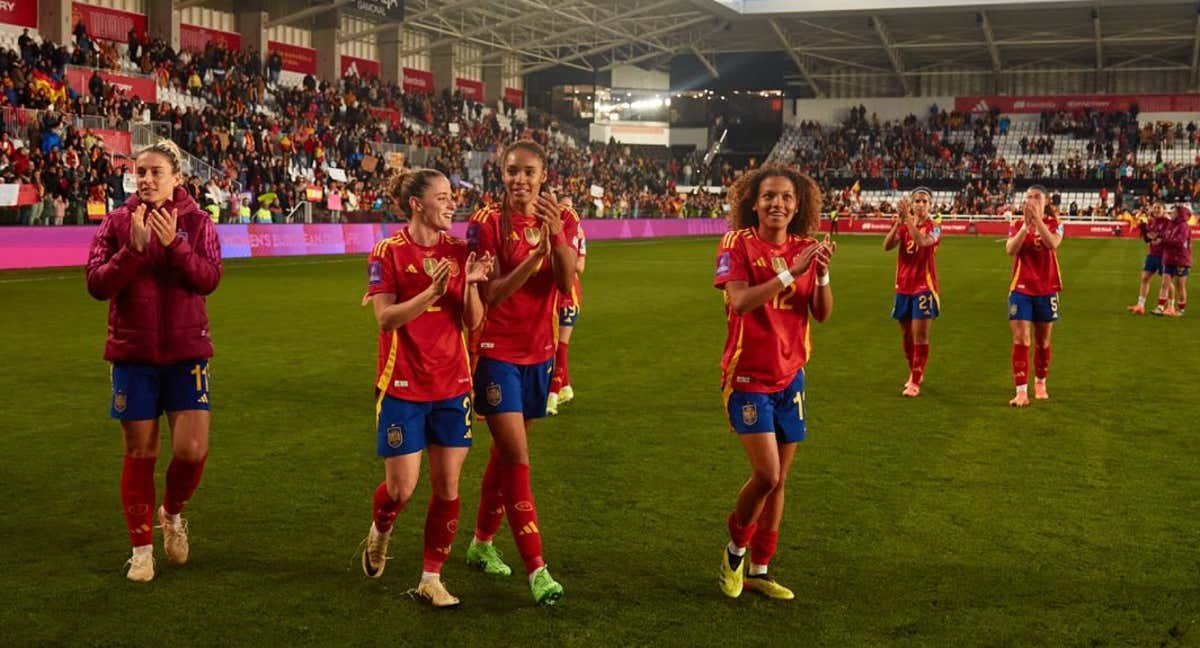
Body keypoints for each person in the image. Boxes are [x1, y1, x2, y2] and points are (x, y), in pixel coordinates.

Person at [84, 140, 222, 582]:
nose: (145, 180)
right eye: (139, 172)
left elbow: (209, 279)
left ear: (176, 177)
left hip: (187, 354)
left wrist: (173, 246)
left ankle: (172, 512)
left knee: (192, 449)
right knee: (140, 452)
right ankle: (141, 549)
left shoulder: (198, 223)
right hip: (134, 355)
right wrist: (134, 251)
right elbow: (97, 284)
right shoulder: (116, 223)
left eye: (155, 172)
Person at [359, 169, 494, 608]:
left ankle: (431, 578)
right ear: (417, 204)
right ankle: (381, 530)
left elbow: (472, 321)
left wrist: (470, 285)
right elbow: (385, 318)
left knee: (448, 486)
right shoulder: (389, 252)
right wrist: (430, 293)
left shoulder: (459, 251)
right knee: (401, 489)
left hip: (453, 382)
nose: (451, 204)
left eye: (452, 196)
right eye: (442, 197)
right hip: (402, 383)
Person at [464, 140, 578, 605]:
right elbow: (490, 295)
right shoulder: (486, 222)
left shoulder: (563, 220)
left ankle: (480, 543)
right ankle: (537, 568)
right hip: (494, 351)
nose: (520, 180)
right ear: (501, 173)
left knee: (503, 455)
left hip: (538, 353)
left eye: (529, 172)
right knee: (516, 456)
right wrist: (534, 259)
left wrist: (553, 237)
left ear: (543, 175)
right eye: (512, 171)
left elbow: (567, 281)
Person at [713, 165, 835, 601]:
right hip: (748, 375)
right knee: (765, 474)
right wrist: (790, 272)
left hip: (791, 376)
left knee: (780, 479)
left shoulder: (806, 248)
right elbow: (741, 301)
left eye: (785, 197)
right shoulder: (739, 243)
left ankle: (760, 569)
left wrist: (819, 274)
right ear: (753, 202)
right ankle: (734, 554)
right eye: (768, 197)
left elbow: (821, 313)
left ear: (798, 204)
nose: (777, 204)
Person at [1005, 185, 1062, 407]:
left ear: (1045, 201)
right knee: (1021, 339)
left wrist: (1037, 222)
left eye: (1036, 197)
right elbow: (1010, 249)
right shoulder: (1017, 225)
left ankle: (1040, 382)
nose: (1031, 200)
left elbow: (1052, 244)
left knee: (1043, 341)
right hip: (1020, 289)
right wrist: (1025, 228)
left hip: (1047, 289)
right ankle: (1021, 391)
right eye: (1028, 197)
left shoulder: (1055, 224)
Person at [882, 188, 941, 397]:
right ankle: (914, 371)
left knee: (920, 334)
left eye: (925, 201)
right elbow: (887, 246)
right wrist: (899, 222)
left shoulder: (935, 227)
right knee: (906, 334)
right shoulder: (904, 224)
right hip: (903, 286)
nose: (921, 204)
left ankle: (915, 381)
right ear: (912, 203)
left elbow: (922, 242)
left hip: (924, 287)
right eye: (917, 200)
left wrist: (907, 218)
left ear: (930, 205)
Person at [547, 195, 586, 415]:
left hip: (569, 291)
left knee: (560, 344)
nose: (568, 212)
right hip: (551, 293)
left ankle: (552, 395)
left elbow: (580, 266)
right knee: (554, 344)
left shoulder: (578, 234)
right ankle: (566, 388)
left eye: (570, 208)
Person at [1128, 204, 1171, 315]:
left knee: (1166, 282)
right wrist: (1145, 232)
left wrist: (1155, 237)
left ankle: (1171, 306)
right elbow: (1148, 238)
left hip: (1164, 255)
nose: (1156, 210)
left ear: (1163, 210)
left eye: (1159, 208)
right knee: (1145, 278)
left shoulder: (1167, 222)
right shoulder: (1151, 221)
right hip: (1152, 254)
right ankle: (1140, 305)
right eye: (1155, 208)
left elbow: (1163, 236)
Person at [1160, 204, 1192, 316]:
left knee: (1180, 285)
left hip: (1181, 259)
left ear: (1179, 214)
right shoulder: (1171, 225)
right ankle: (1161, 307)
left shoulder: (1184, 226)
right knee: (1165, 283)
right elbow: (1166, 236)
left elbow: (1179, 241)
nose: (1170, 214)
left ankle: (1181, 310)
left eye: (1173, 212)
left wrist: (1164, 241)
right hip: (1170, 257)